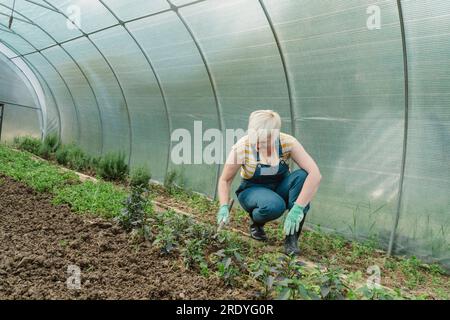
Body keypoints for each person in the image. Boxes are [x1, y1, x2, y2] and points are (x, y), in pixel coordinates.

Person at [216, 110, 322, 255]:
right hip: (252, 190)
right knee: (274, 206)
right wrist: (223, 206)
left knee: (302, 176)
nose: (257, 146)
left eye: (263, 141)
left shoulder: (287, 143)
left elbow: (315, 174)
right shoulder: (242, 147)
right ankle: (257, 223)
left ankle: (291, 239)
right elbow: (225, 179)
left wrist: (298, 207)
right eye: (255, 140)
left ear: (275, 136)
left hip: (280, 187)